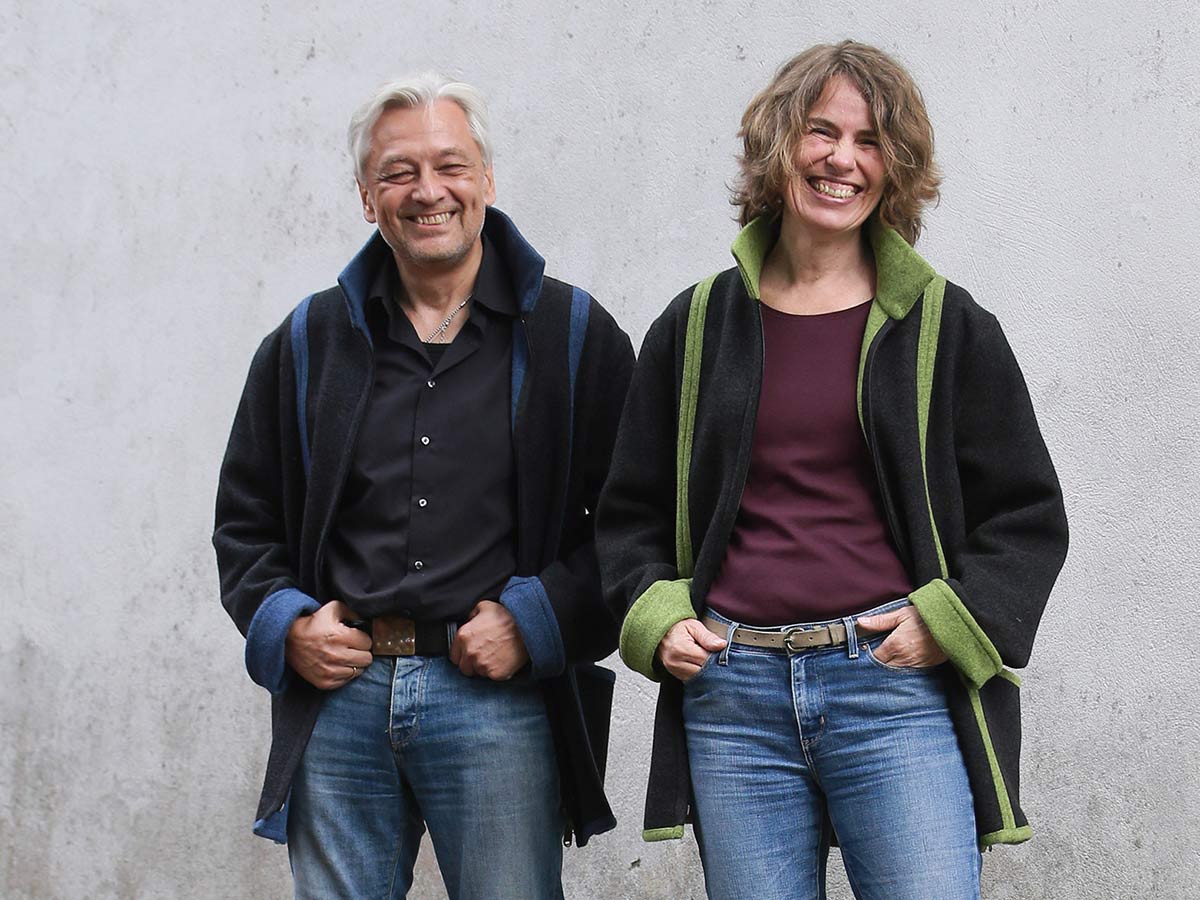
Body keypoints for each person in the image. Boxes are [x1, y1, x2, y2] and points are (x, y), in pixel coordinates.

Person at [597, 41, 1068, 900]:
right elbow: (628, 514)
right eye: (822, 131)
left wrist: (949, 623)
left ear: (896, 169)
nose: (842, 159)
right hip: (734, 702)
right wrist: (656, 616)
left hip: (892, 694)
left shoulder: (947, 327)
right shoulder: (696, 326)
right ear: (779, 144)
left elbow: (1027, 516)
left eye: (871, 141)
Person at [213, 72, 633, 899]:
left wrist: (536, 621)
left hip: (499, 703)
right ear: (367, 196)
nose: (427, 190)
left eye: (450, 165)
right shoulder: (308, 341)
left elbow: (632, 527)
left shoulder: (572, 336)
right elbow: (244, 522)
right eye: (399, 172)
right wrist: (287, 627)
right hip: (340, 700)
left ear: (487, 181)